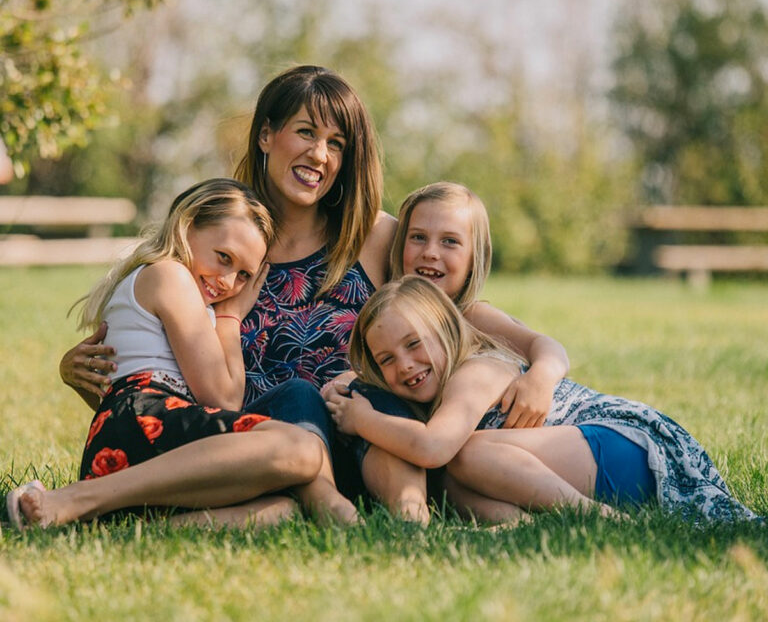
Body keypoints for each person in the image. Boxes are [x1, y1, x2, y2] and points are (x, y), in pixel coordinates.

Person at [58, 65, 396, 504]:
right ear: (265, 135)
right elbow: (157, 384)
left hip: (356, 446)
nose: (320, 155)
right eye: (306, 132)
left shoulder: (372, 237)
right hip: (243, 458)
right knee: (282, 469)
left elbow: (444, 324)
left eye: (336, 143)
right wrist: (77, 372)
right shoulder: (224, 238)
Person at [8, 178, 353, 529]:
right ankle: (79, 498)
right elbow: (222, 399)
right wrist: (230, 318)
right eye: (223, 257)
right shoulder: (169, 275)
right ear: (187, 227)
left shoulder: (176, 288)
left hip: (143, 440)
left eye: (243, 275)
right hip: (143, 421)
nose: (227, 281)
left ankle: (132, 527)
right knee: (301, 449)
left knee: (281, 510)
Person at [326, 276, 760, 524]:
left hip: (630, 449)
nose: (405, 365)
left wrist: (361, 419)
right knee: (452, 484)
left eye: (414, 343)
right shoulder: (435, 387)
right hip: (587, 463)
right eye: (387, 359)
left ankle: (596, 517)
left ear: (446, 329)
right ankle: (523, 526)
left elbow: (433, 446)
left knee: (466, 454)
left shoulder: (476, 370)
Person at [339, 182, 570, 519]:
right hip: (482, 458)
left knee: (462, 460)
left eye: (449, 241)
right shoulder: (395, 319)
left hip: (535, 442)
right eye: (418, 237)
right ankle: (516, 521)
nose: (431, 252)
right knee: (449, 482)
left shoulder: (473, 316)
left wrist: (541, 378)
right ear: (399, 247)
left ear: (474, 257)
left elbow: (546, 345)